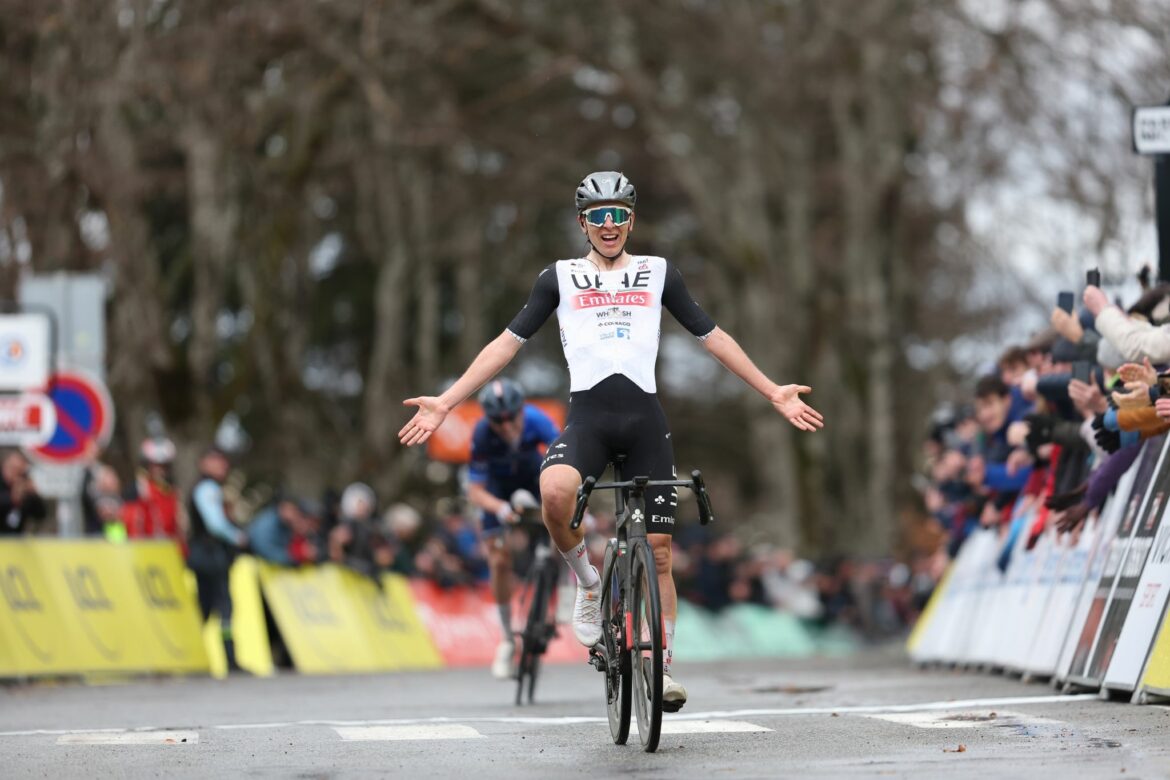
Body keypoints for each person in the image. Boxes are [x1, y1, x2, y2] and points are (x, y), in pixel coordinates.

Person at [399, 170, 824, 710]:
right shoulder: (559, 277)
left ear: (631, 220)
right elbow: (505, 345)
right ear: (582, 223)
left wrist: (773, 393)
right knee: (554, 492)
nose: (609, 224)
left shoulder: (658, 273)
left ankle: (661, 667)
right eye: (598, 216)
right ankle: (589, 580)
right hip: (589, 421)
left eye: (618, 214)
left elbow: (712, 337)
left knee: (663, 554)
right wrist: (448, 401)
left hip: (645, 421)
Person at [466, 378, 561, 679]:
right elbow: (475, 490)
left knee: (564, 532)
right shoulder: (481, 434)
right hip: (498, 493)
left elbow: (566, 461)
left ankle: (555, 601)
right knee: (498, 559)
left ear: (521, 410)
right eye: (498, 421)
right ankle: (507, 638)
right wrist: (499, 508)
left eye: (511, 418)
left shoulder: (537, 420)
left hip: (535, 481)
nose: (506, 426)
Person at [186, 447, 248, 672]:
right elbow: (215, 524)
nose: (224, 467)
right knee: (223, 607)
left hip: (206, 556)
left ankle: (190, 656)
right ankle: (229, 659)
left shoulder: (208, 488)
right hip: (210, 556)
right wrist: (237, 536)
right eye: (218, 462)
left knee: (206, 606)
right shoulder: (207, 488)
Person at [0, 451, 46, 535]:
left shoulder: (24, 489)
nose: (18, 475)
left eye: (21, 472)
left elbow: (40, 515)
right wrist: (11, 498)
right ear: (5, 467)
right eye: (15, 469)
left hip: (15, 541)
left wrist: (33, 494)